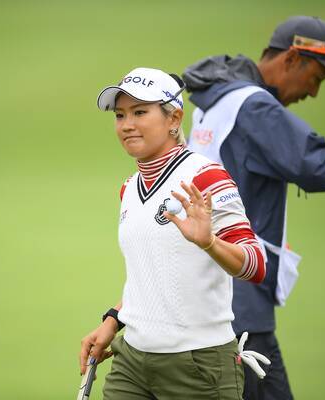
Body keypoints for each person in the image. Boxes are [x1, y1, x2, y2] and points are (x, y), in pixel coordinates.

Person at [182, 15, 325, 400]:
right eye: (316, 78)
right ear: (291, 59)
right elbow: (320, 165)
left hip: (206, 291)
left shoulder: (215, 99)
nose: (314, 93)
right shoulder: (254, 108)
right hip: (238, 299)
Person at [78, 67, 268, 399]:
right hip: (132, 361)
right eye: (120, 115)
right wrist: (113, 320)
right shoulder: (129, 188)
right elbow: (150, 276)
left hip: (198, 365)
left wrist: (209, 243)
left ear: (174, 118)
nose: (127, 124)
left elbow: (255, 265)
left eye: (140, 112)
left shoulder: (205, 177)